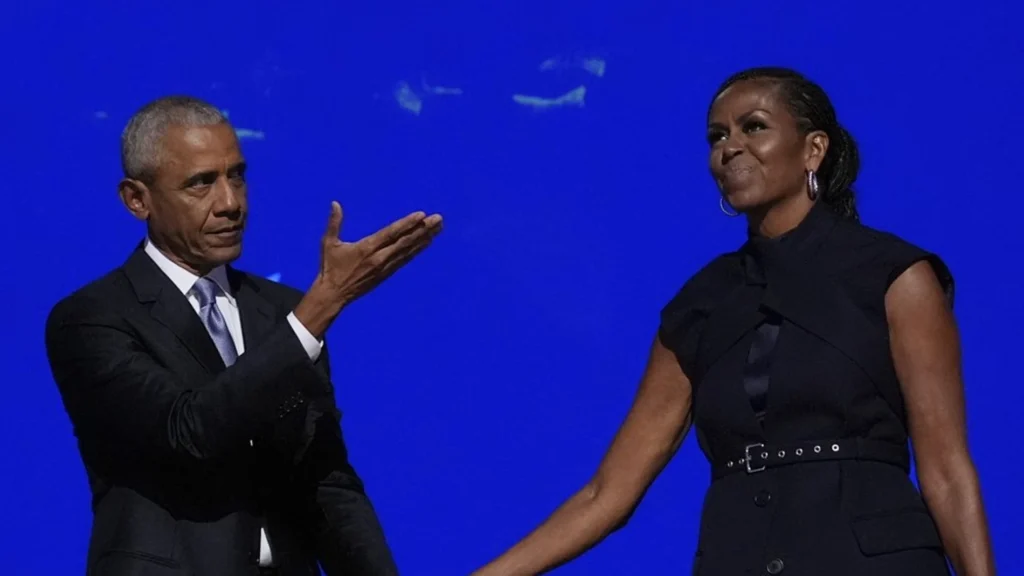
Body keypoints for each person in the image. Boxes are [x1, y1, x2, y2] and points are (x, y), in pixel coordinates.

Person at [472, 68, 994, 576]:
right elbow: (606, 495)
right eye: (717, 135)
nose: (729, 147)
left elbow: (947, 471)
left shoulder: (892, 275)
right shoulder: (701, 304)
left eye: (754, 126)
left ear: (813, 149)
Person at [45, 96, 442, 576]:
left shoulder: (280, 311)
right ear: (137, 199)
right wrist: (317, 311)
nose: (230, 203)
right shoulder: (91, 319)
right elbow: (187, 432)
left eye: (236, 175)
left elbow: (325, 479)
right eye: (201, 183)